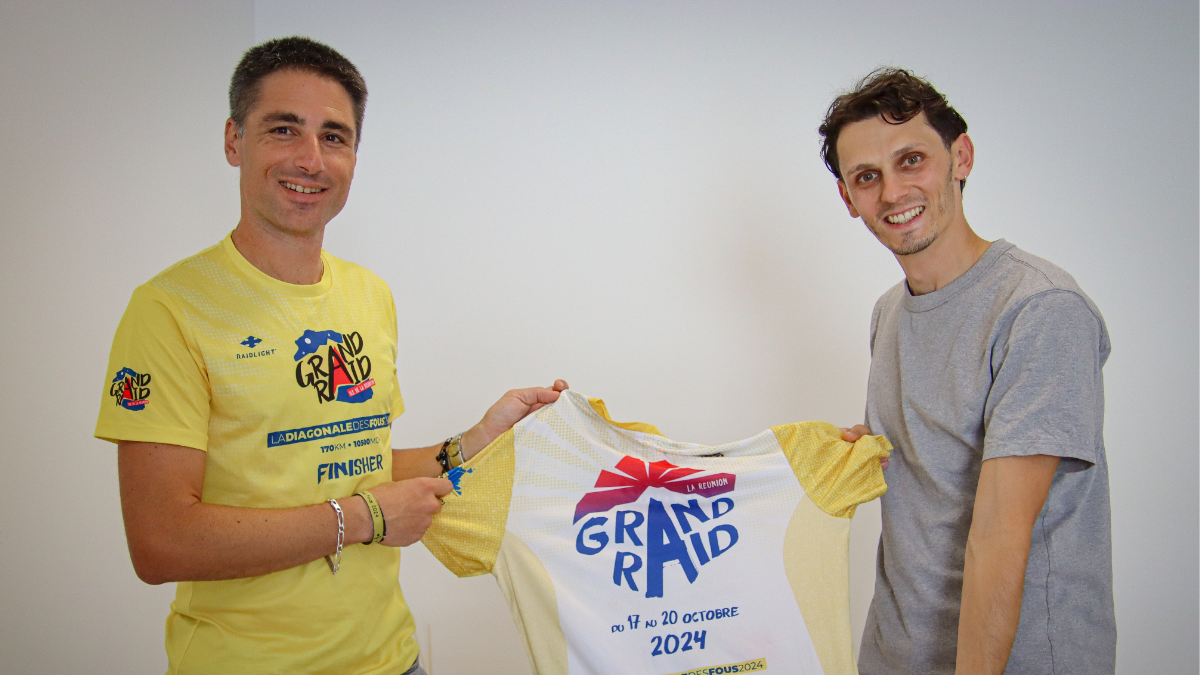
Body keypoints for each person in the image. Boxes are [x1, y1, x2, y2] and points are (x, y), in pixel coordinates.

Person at [95, 36, 566, 675]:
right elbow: (161, 542)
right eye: (284, 129)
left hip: (392, 659)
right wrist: (366, 518)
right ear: (235, 141)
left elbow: (350, 460)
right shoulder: (170, 310)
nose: (310, 158)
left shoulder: (370, 295)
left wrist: (475, 439)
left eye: (334, 137)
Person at [819, 68, 1116, 674]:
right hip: (899, 655)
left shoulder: (1038, 310)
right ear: (849, 198)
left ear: (962, 157)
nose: (894, 192)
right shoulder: (890, 313)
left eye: (912, 160)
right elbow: (936, 454)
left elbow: (1000, 536)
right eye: (867, 177)